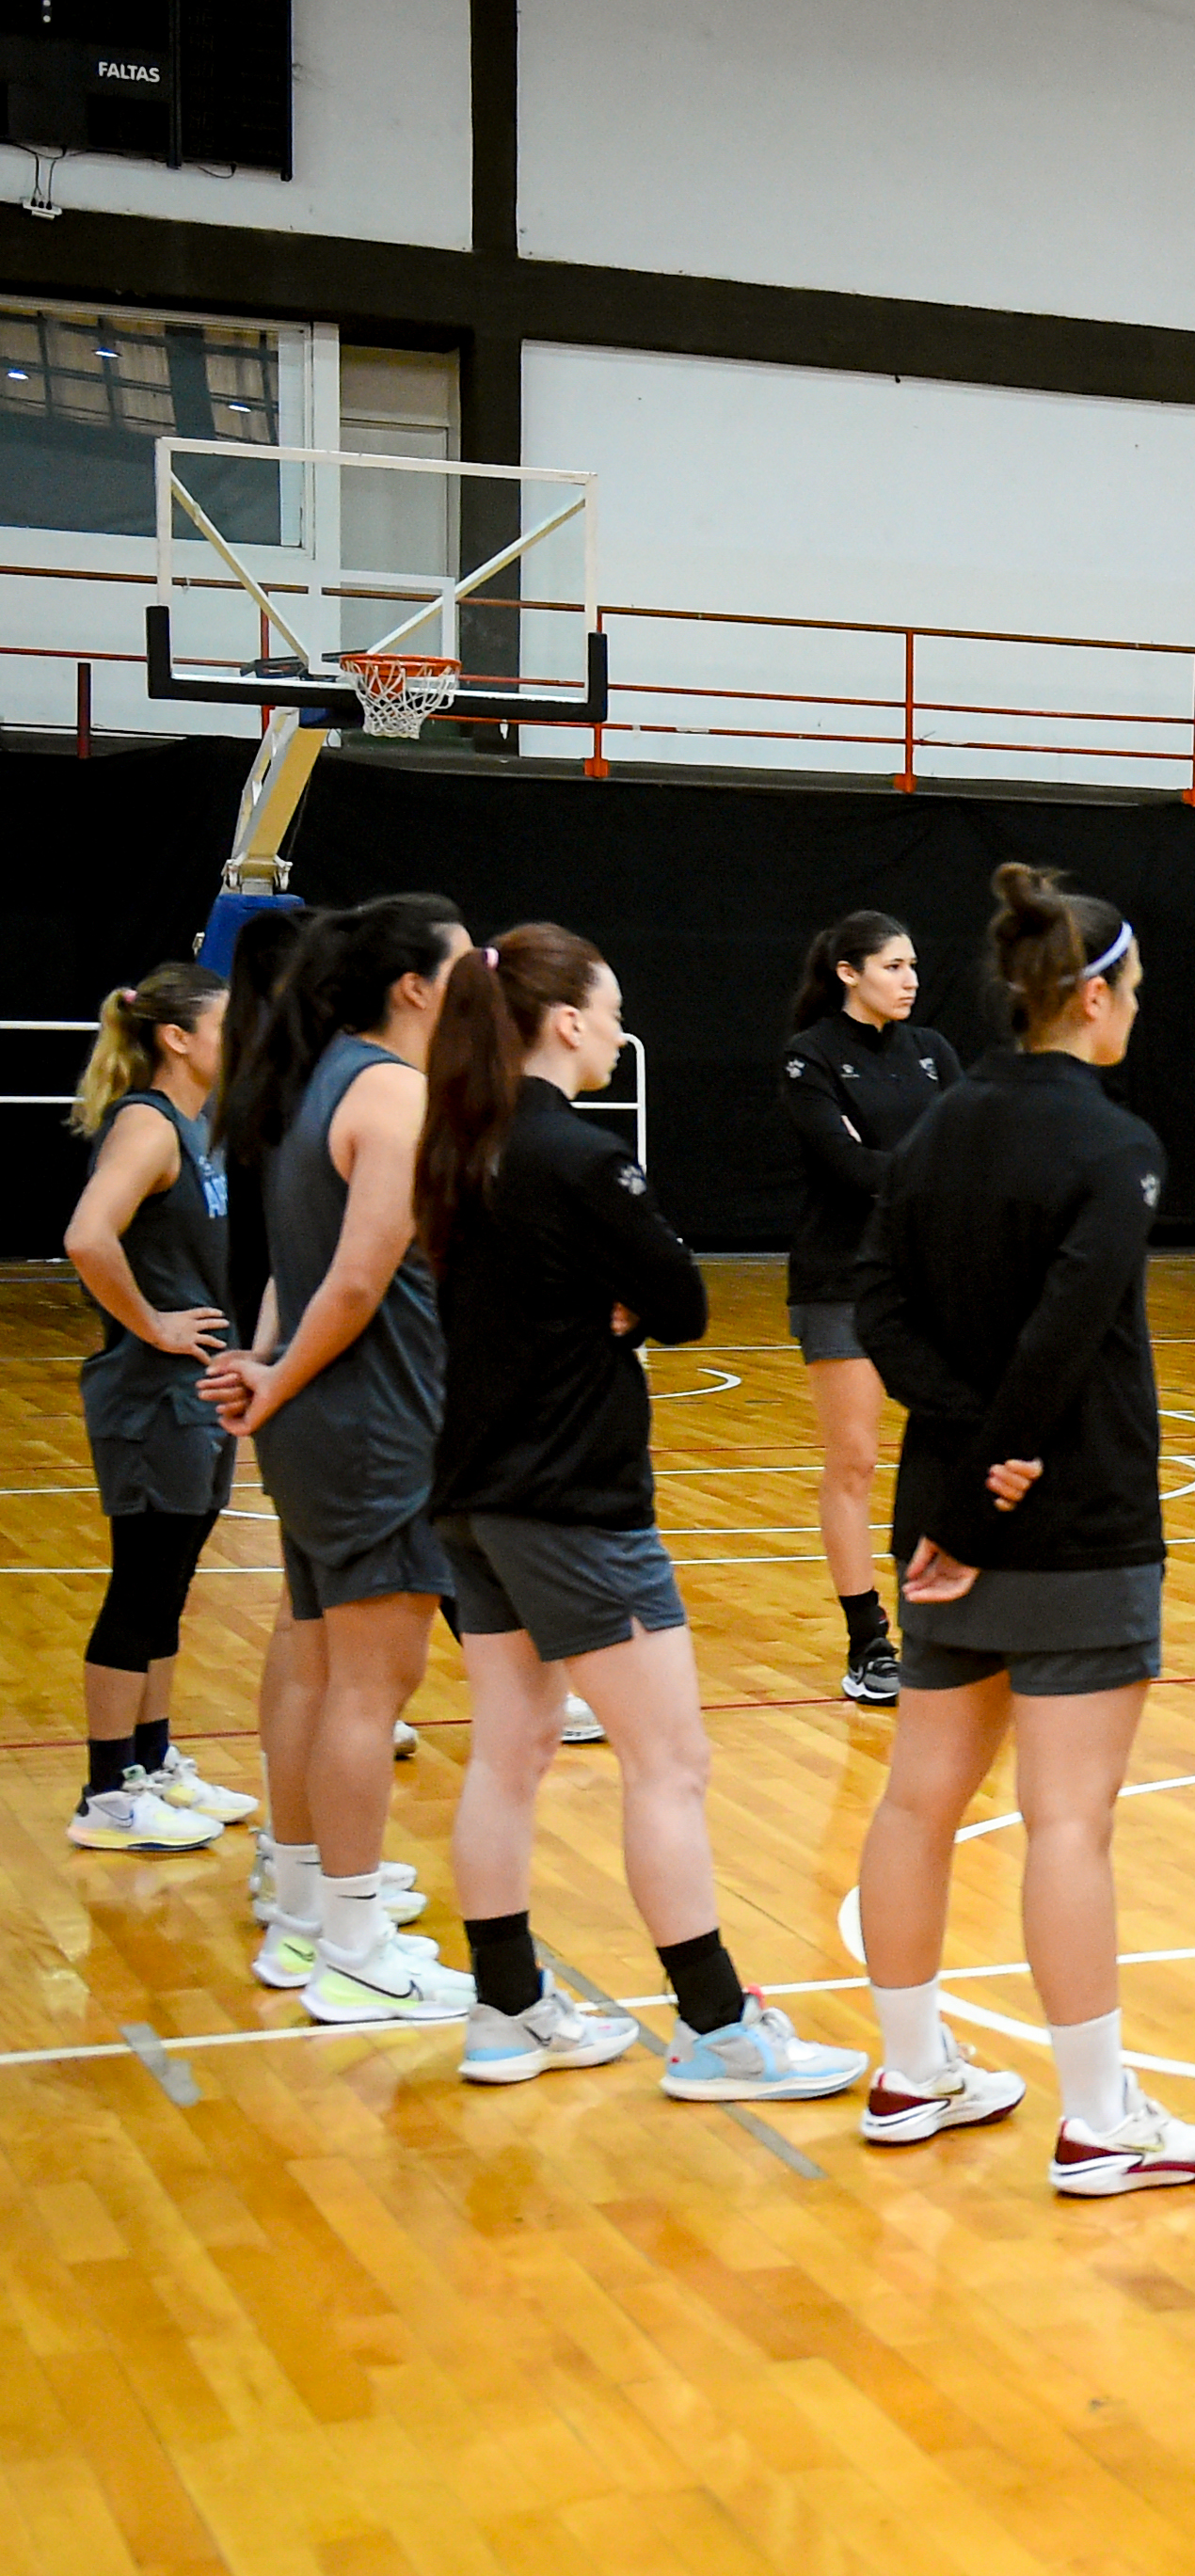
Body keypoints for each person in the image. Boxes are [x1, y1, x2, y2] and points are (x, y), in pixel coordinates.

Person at [417, 925, 868, 2100]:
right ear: (566, 1021)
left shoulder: (455, 1145)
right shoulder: (576, 1154)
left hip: (470, 1492)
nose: (621, 1028)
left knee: (506, 1755)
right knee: (668, 1761)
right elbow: (684, 1299)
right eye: (611, 1007)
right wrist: (615, 1305)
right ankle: (718, 2027)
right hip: (572, 1499)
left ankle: (505, 2008)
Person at [848, 863, 1195, 2195]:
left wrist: (953, 1465)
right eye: (1133, 989)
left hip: (947, 1517)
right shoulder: (1111, 1143)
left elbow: (876, 1311)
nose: (1139, 1009)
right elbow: (1062, 1344)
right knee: (1068, 1821)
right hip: (1070, 1524)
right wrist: (989, 1475)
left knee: (918, 1795)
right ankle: (1095, 2117)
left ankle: (907, 2068)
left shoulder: (936, 1126)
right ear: (1090, 993)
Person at [208, 895, 480, 2026]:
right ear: (415, 986)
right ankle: (357, 1944)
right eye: (467, 962)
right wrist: (279, 1371)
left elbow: (296, 1266)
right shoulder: (395, 1093)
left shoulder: (318, 1080)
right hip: (372, 1422)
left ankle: (310, 1901)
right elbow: (358, 1277)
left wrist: (270, 1362)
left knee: (316, 1662)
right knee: (374, 1683)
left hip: (321, 1420)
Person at [57, 962, 257, 1853]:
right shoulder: (148, 1122)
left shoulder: (202, 1124)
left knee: (169, 1589)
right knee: (139, 1588)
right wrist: (152, 1324)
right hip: (151, 1398)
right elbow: (86, 1235)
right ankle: (105, 1793)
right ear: (177, 1036)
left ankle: (151, 1759)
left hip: (197, 1396)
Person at [781, 912, 962, 1703]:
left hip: (932, 1276)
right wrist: (932, 1175)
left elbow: (971, 1148)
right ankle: (868, 1643)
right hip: (841, 1276)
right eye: (893, 964)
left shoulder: (934, 1053)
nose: (910, 978)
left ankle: (952, 1623)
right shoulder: (809, 1055)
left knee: (953, 1446)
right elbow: (848, 1167)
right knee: (854, 1458)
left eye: (914, 963)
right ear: (849, 972)